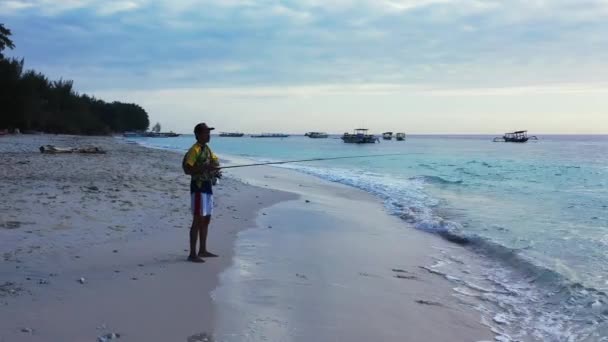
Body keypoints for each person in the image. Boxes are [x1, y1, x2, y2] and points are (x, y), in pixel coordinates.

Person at [183, 123, 221, 263]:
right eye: (206, 132)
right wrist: (204, 167)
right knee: (197, 220)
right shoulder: (195, 149)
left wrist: (214, 167)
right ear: (198, 134)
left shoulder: (207, 148)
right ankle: (192, 254)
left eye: (209, 132)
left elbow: (215, 161)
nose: (208, 135)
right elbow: (188, 169)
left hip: (207, 187)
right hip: (198, 188)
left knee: (206, 219)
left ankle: (203, 250)